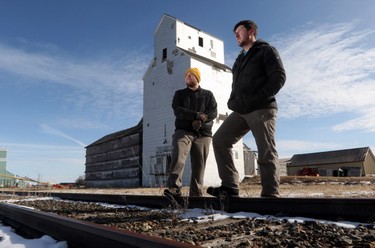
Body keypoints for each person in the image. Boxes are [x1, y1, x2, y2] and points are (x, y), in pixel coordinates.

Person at [207, 20, 286, 198]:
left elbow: (279, 77)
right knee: (220, 140)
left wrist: (259, 98)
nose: (235, 34)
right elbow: (237, 86)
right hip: (242, 110)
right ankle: (230, 186)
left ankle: (270, 195)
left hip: (262, 108)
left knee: (265, 150)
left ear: (251, 31)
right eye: (234, 32)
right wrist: (232, 102)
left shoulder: (266, 51)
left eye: (239, 31)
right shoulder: (239, 60)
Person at [164, 67, 218, 197]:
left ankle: (196, 193)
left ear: (197, 77)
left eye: (190, 74)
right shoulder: (179, 94)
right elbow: (178, 111)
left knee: (199, 164)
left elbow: (213, 112)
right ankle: (175, 188)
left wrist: (201, 121)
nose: (187, 76)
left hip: (203, 133)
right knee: (178, 154)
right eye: (186, 75)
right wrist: (196, 116)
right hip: (183, 131)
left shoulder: (208, 94)